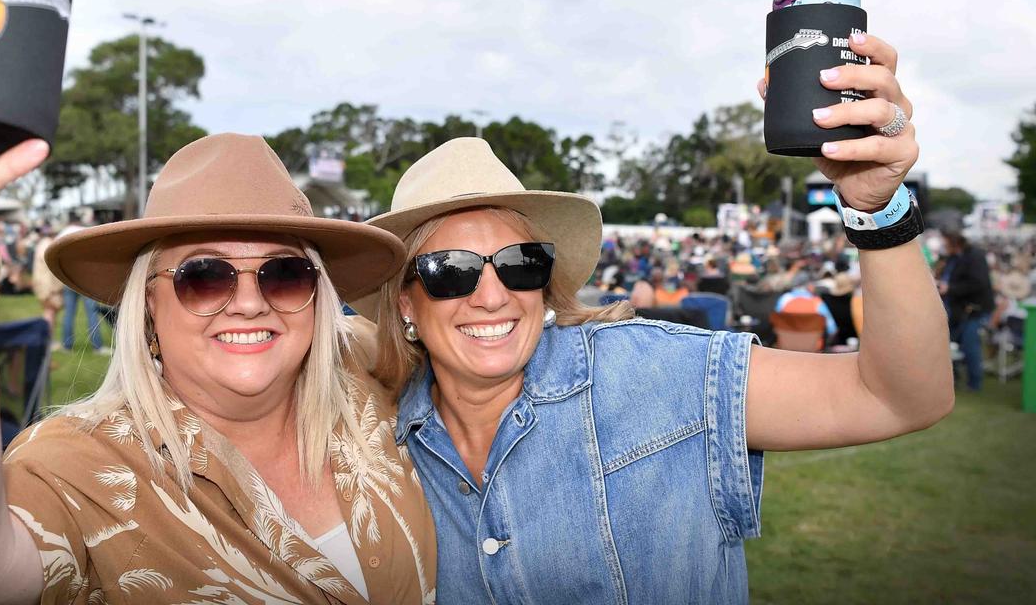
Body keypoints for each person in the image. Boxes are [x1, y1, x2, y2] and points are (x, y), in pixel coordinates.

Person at [355, 33, 951, 603]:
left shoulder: (658, 375)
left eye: (521, 263)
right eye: (451, 271)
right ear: (406, 302)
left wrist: (878, 210)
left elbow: (899, 397)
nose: (492, 296)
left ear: (545, 284)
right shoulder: (374, 448)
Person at [0, 8, 436, 604]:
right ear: (146, 307)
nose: (248, 303)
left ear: (319, 298)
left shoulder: (370, 371)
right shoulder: (81, 466)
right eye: (204, 277)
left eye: (286, 274)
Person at [939, 231, 994, 391]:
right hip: (955, 308)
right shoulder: (951, 258)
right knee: (951, 346)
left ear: (954, 242)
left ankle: (974, 383)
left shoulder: (974, 256)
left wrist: (951, 288)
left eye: (946, 242)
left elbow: (979, 283)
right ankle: (954, 379)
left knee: (970, 346)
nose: (943, 246)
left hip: (973, 308)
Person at [57, 211, 107, 353]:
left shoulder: (62, 233)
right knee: (92, 312)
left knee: (69, 313)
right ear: (79, 220)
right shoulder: (86, 232)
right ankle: (97, 346)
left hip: (67, 277)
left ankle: (66, 346)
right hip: (86, 278)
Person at [775, 270, 839, 345]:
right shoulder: (817, 303)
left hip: (786, 347)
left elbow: (775, 323)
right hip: (812, 348)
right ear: (809, 286)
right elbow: (832, 330)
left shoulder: (784, 299)